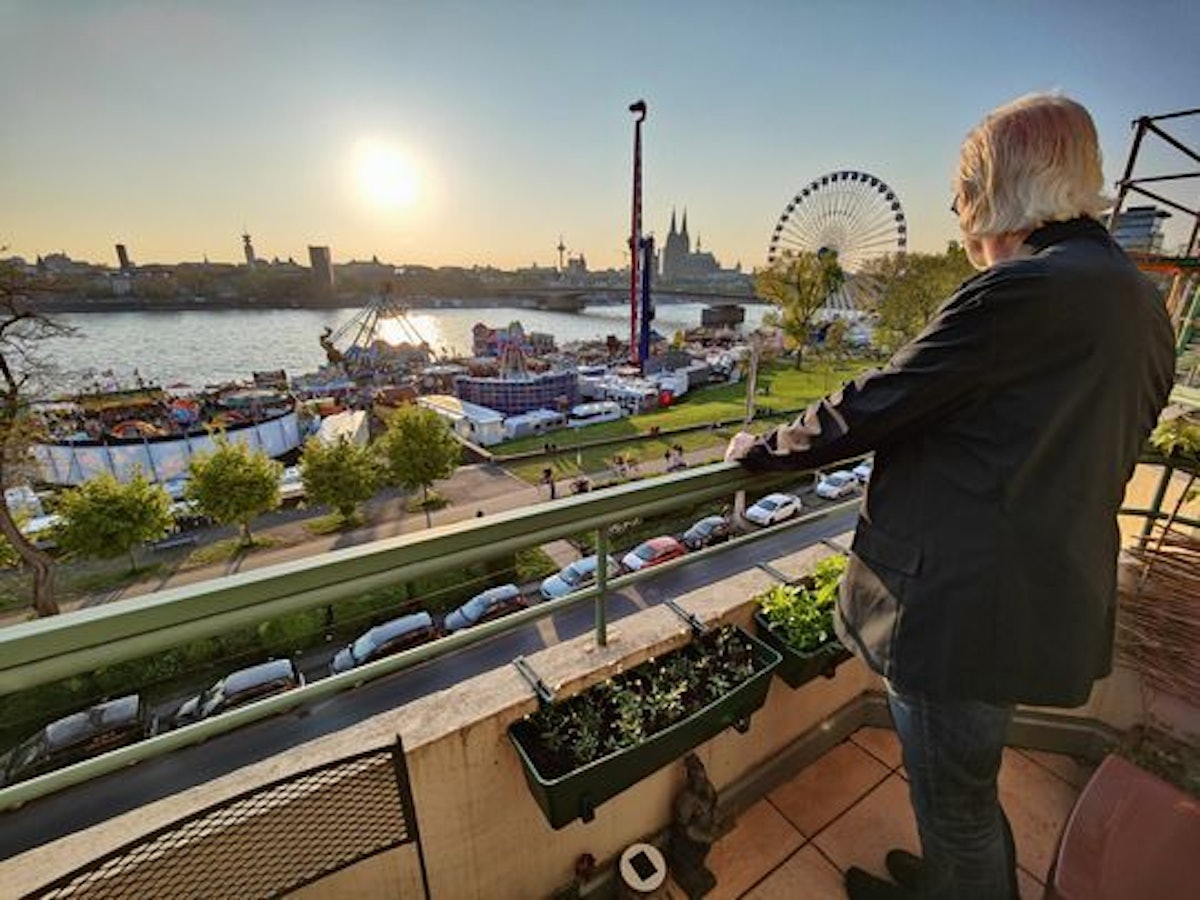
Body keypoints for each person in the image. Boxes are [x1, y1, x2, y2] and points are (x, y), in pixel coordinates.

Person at [726, 94, 1174, 900]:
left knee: (958, 807)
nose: (959, 213)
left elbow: (879, 400)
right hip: (1036, 598)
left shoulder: (1019, 292)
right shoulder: (1140, 300)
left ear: (997, 189)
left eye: (963, 192)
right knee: (965, 789)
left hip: (959, 610)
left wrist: (760, 450)